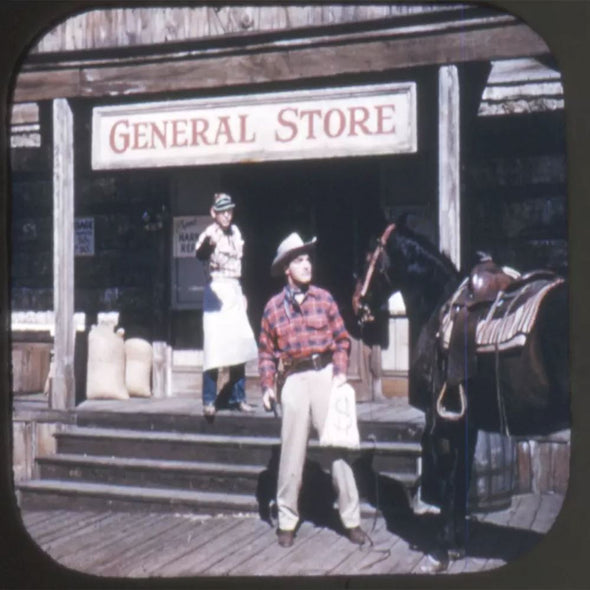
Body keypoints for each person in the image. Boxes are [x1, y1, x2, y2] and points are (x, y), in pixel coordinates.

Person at [258, 232, 367, 548]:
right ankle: (287, 521)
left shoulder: (324, 299)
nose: (306, 264)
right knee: (291, 454)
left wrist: (341, 372)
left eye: (308, 258)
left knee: (337, 450)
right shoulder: (273, 308)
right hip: (293, 380)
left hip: (324, 376)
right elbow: (266, 351)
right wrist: (267, 386)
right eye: (299, 260)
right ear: (287, 269)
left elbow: (342, 340)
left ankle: (352, 520)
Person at [195, 192, 258, 416]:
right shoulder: (209, 233)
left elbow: (243, 263)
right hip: (216, 291)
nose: (227, 215)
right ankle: (209, 400)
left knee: (239, 344)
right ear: (214, 213)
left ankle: (238, 397)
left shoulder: (237, 232)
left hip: (234, 288)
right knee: (215, 346)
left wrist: (244, 292)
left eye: (229, 210)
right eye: (222, 211)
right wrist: (210, 245)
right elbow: (200, 254)